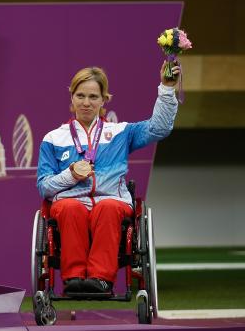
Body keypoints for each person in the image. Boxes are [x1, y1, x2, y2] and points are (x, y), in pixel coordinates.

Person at [36, 62, 180, 295]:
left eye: (93, 96)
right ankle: (73, 279)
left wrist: (166, 88)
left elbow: (159, 128)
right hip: (71, 202)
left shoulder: (120, 132)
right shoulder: (53, 139)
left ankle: (101, 279)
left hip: (112, 201)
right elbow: (44, 187)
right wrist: (70, 175)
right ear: (71, 98)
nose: (86, 102)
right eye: (80, 95)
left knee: (109, 207)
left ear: (104, 100)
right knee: (69, 208)